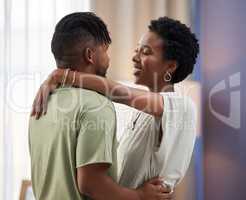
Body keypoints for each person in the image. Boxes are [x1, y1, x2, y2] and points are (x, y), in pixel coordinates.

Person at [29, 12, 173, 200]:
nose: (108, 58)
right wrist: (140, 196)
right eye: (105, 51)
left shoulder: (42, 102)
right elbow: (91, 184)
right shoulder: (96, 106)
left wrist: (57, 76)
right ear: (90, 55)